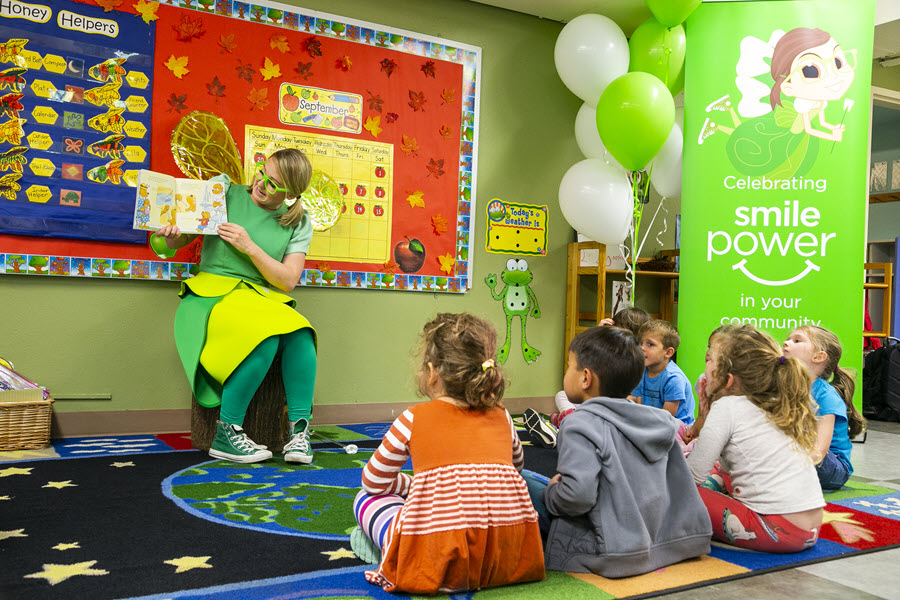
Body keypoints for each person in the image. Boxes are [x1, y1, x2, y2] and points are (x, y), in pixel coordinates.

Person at [351, 313, 545, 595]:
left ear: (432, 373)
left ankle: (389, 548)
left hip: (437, 563)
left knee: (365, 499)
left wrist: (409, 485)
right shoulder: (503, 417)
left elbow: (373, 481)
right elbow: (516, 470)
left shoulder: (413, 418)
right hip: (510, 559)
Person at [155, 149, 317, 464]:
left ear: (292, 194)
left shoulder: (298, 221)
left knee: (301, 333)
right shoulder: (224, 191)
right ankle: (227, 431)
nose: (260, 184)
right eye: (262, 172)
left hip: (260, 299)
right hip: (211, 295)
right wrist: (173, 235)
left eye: (274, 185)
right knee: (265, 336)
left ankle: (299, 434)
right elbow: (179, 239)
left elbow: (287, 280)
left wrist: (249, 247)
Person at [528, 326, 711, 577]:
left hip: (610, 549)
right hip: (666, 541)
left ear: (585, 378)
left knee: (523, 480)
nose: (566, 372)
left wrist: (552, 493)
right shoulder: (661, 421)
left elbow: (577, 497)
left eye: (569, 366)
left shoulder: (579, 424)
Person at [687, 325, 824, 553]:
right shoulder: (774, 402)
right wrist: (704, 417)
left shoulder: (727, 407)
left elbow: (690, 477)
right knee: (722, 471)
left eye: (708, 360)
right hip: (810, 531)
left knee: (671, 490)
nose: (705, 368)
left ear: (728, 380)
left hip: (774, 530)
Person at [523, 307, 651, 448]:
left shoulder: (635, 363)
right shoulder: (612, 355)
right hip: (598, 405)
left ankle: (564, 427)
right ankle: (567, 422)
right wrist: (598, 334)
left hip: (612, 411)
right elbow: (588, 355)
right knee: (562, 395)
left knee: (588, 422)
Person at [783, 325, 866, 490]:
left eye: (797, 340)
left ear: (819, 356)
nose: (786, 343)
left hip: (831, 467)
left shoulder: (826, 396)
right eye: (788, 339)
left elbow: (819, 451)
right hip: (800, 459)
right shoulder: (785, 386)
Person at [631, 319, 695, 426]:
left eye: (650, 344)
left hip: (677, 428)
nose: (642, 348)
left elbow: (666, 418)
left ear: (668, 352)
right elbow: (638, 402)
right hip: (651, 423)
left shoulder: (674, 378)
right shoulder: (641, 370)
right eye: (640, 343)